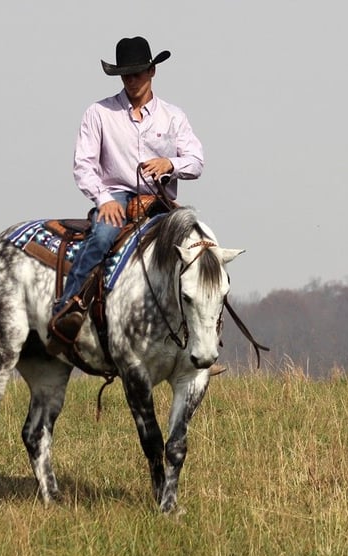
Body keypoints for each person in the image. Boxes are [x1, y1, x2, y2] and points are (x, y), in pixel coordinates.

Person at [49, 36, 223, 375]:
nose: (131, 81)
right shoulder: (99, 113)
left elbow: (196, 161)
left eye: (138, 74)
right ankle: (68, 308)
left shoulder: (173, 116)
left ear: (152, 71)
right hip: (116, 197)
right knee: (101, 238)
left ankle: (203, 340)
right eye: (125, 75)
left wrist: (169, 164)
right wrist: (103, 200)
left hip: (160, 201)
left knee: (201, 251)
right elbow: (83, 165)